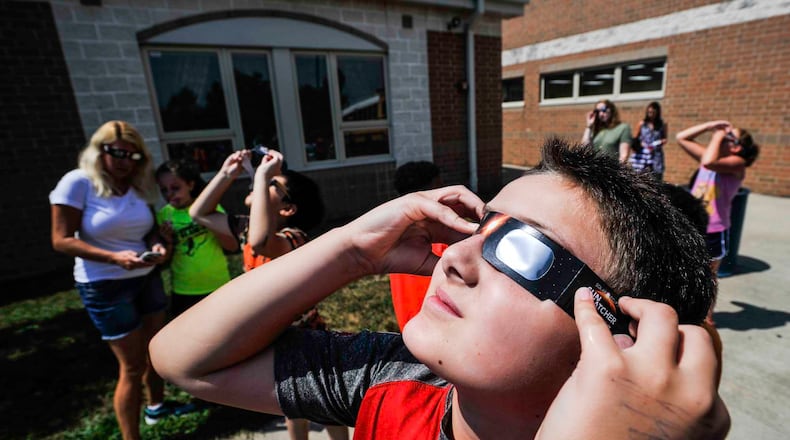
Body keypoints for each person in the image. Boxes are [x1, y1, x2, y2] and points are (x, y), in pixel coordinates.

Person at [151, 139, 727, 439]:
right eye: (483, 227)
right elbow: (187, 361)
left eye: (523, 249)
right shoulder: (398, 383)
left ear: (624, 333)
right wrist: (352, 248)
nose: (453, 256)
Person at [189, 149, 348, 440]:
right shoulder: (248, 229)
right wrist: (226, 173)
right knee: (292, 406)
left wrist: (261, 174)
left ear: (288, 209)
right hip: (272, 339)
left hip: (305, 341)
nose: (261, 182)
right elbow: (198, 213)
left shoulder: (294, 238)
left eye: (273, 184)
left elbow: (262, 242)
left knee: (325, 405)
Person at [49, 121, 183, 439]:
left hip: (145, 276)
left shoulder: (136, 184)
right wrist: (114, 258)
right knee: (133, 366)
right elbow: (61, 239)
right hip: (105, 285)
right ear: (100, 150)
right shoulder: (77, 182)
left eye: (134, 156)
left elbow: (147, 228)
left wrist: (156, 245)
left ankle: (157, 408)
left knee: (154, 351)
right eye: (119, 153)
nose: (126, 162)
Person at [676, 120, 760, 321]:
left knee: (708, 275)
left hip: (714, 229)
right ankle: (684, 308)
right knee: (686, 268)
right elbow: (682, 138)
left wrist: (717, 136)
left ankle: (707, 317)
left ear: (737, 146)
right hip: (693, 223)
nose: (722, 136)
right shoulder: (710, 155)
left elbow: (708, 162)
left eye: (729, 136)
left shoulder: (737, 164)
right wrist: (710, 126)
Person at [155, 158, 236, 318]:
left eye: (175, 188)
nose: (169, 194)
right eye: (164, 190)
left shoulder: (210, 209)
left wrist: (211, 223)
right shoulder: (164, 215)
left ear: (191, 185)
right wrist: (168, 241)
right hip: (184, 289)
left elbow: (232, 246)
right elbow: (164, 261)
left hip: (218, 284)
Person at [389, 161, 446, 330]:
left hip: (408, 329)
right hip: (438, 334)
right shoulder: (444, 241)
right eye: (441, 186)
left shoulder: (394, 239)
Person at [629, 101, 667, 180]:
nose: (651, 114)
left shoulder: (662, 125)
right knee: (642, 177)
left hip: (656, 155)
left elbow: (665, 139)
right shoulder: (642, 124)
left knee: (656, 177)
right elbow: (635, 139)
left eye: (653, 112)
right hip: (644, 154)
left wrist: (658, 142)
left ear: (657, 113)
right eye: (649, 112)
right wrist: (641, 144)